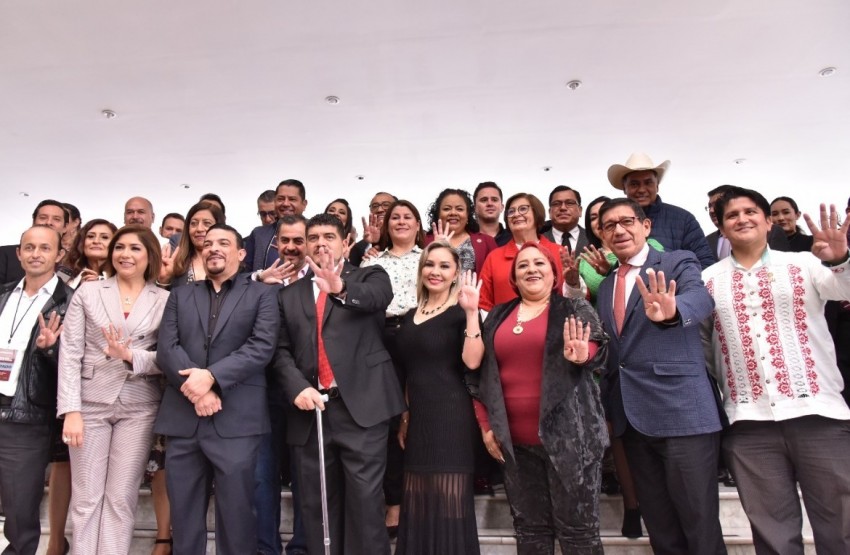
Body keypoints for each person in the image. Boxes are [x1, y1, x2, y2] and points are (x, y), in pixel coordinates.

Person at [702, 187, 850, 554]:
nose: (742, 219)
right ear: (722, 228)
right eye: (732, 215)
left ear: (769, 221)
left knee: (841, 528)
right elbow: (705, 349)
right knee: (773, 536)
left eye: (751, 211)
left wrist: (840, 259)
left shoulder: (803, 263)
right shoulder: (707, 280)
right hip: (749, 423)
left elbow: (843, 288)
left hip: (818, 414)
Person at [596, 198, 726, 554]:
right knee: (661, 530)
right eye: (609, 225)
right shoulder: (606, 285)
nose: (619, 230)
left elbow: (700, 299)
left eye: (627, 221)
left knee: (700, 527)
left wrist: (673, 312)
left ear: (646, 226)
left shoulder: (676, 261)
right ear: (603, 235)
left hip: (682, 414)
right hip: (632, 422)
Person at [274, 213, 406, 555]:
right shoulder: (288, 295)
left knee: (365, 503)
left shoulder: (370, 276)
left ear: (346, 242)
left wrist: (341, 289)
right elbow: (280, 351)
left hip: (362, 409)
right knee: (317, 506)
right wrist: (297, 387)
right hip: (311, 412)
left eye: (329, 237)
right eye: (313, 237)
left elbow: (378, 297)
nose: (321, 243)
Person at [467, 242, 609, 553]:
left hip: (573, 443)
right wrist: (486, 425)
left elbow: (597, 349)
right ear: (514, 279)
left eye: (539, 263)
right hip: (514, 446)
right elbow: (478, 376)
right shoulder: (498, 316)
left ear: (554, 274)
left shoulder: (573, 308)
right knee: (530, 532)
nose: (531, 269)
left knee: (579, 533)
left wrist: (583, 354)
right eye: (523, 265)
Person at [155, 224, 279, 554]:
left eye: (223, 243)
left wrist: (211, 378)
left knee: (237, 517)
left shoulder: (263, 294)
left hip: (237, 420)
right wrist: (197, 389)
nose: (214, 248)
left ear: (241, 253)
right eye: (208, 243)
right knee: (183, 518)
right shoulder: (180, 295)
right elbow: (167, 348)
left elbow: (261, 347)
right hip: (184, 419)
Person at [57, 225, 169, 554]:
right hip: (89, 404)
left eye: (135, 248)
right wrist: (71, 410)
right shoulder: (89, 293)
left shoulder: (165, 299)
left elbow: (169, 358)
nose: (125, 254)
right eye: (119, 247)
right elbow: (70, 353)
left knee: (121, 497)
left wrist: (131, 356)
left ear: (149, 255)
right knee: (86, 497)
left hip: (139, 406)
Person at [393, 242, 483, 554]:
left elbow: (473, 361)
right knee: (417, 502)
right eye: (430, 264)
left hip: (451, 417)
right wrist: (405, 417)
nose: (436, 271)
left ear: (456, 273)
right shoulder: (409, 315)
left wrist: (471, 313)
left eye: (445, 266)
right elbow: (409, 371)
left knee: (450, 501)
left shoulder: (461, 313)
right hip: (418, 419)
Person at [0, 225, 73, 555]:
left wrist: (50, 349)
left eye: (45, 248)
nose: (35, 254)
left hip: (26, 417)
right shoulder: (3, 295)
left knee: (19, 513)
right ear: (19, 253)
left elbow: (76, 368)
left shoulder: (70, 302)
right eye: (29, 247)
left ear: (59, 255)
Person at [360, 200, 426, 537]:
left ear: (418, 224)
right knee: (389, 422)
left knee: (422, 417)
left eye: (407, 217)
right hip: (382, 337)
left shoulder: (428, 258)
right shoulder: (373, 261)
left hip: (423, 335)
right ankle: (394, 501)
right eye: (394, 217)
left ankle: (427, 498)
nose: (401, 221)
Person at [608, 152, 715, 268]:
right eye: (634, 184)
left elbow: (706, 263)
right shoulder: (612, 224)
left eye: (648, 183)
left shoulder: (684, 219)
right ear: (624, 188)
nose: (642, 189)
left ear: (657, 185)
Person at [478, 193, 578, 312]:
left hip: (555, 322)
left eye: (523, 209)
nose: (516, 214)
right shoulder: (494, 257)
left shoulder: (559, 252)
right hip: (505, 323)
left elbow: (578, 301)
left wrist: (573, 284)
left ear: (537, 214)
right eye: (511, 211)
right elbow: (483, 303)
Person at [425, 188, 497, 275]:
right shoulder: (424, 241)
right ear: (438, 214)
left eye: (459, 209)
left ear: (468, 215)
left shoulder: (487, 242)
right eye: (447, 209)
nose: (453, 213)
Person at [705, 185, 789, 259]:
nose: (712, 210)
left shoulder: (774, 231)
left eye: (749, 212)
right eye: (709, 206)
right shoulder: (708, 240)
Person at [244, 179, 308, 272]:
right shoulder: (258, 234)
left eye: (292, 199)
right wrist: (259, 276)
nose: (285, 203)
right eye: (280, 199)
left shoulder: (316, 231)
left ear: (304, 204)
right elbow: (244, 273)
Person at [1, 200, 69, 285]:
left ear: (65, 227)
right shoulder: (5, 254)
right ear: (34, 222)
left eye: (56, 219)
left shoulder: (73, 262)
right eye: (43, 217)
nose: (49, 222)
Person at [160, 202, 225, 288]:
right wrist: (163, 280)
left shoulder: (230, 261)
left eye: (207, 223)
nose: (199, 229)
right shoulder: (175, 260)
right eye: (194, 223)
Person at [349, 192, 397, 267]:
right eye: (375, 206)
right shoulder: (359, 247)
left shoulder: (410, 237)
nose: (379, 209)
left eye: (386, 205)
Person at [542, 186, 589, 255]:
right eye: (556, 204)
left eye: (569, 203)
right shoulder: (539, 241)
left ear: (580, 210)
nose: (563, 208)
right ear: (549, 212)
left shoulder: (593, 238)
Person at [473, 182, 511, 246]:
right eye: (484, 200)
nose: (490, 203)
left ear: (502, 207)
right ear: (475, 208)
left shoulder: (513, 237)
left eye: (494, 200)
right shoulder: (466, 239)